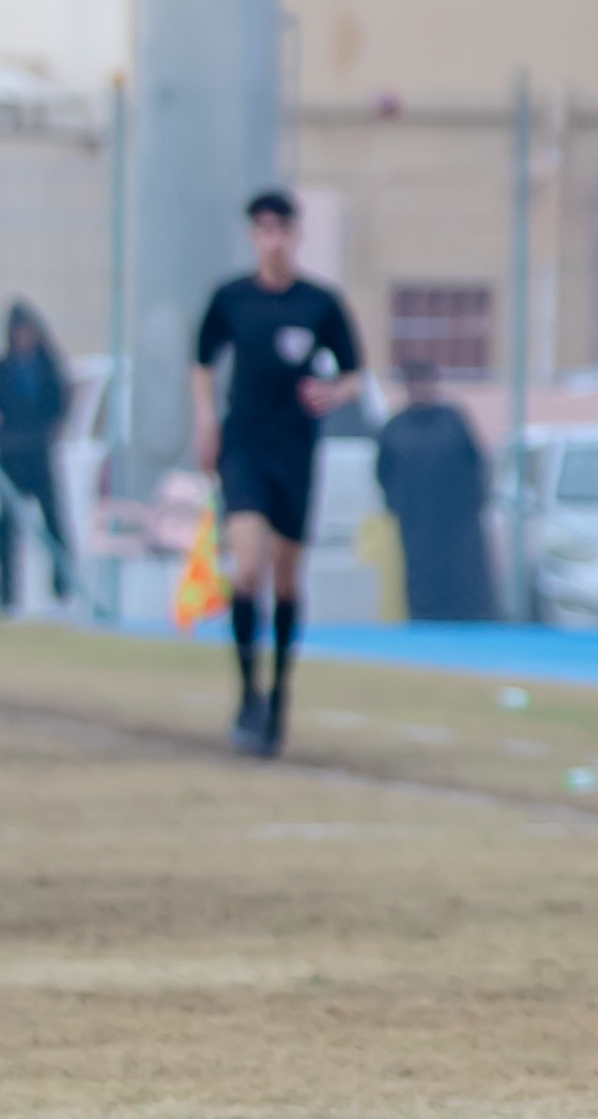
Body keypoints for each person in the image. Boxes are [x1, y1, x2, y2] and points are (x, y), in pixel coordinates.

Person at [188, 189, 363, 757]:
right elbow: (201, 359)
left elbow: (356, 372)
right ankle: (247, 695)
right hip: (244, 447)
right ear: (252, 236)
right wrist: (206, 419)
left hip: (295, 450)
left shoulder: (319, 304)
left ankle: (280, 694)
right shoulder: (232, 299)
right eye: (263, 230)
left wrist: (333, 392)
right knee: (248, 568)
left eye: (281, 229)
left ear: (296, 234)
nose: (273, 240)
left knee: (286, 578)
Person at [372, 358, 501, 622]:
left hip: (458, 522)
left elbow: (475, 463)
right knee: (422, 580)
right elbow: (383, 471)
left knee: (464, 578)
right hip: (416, 521)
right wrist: (396, 505)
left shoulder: (453, 420)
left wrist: (476, 502)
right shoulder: (395, 427)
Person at [0, 301, 74, 607]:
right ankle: (7, 596)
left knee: (55, 522)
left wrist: (47, 434)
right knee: (6, 526)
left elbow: (60, 406)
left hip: (39, 455)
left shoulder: (47, 368)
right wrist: (3, 437)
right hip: (10, 456)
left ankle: (63, 589)